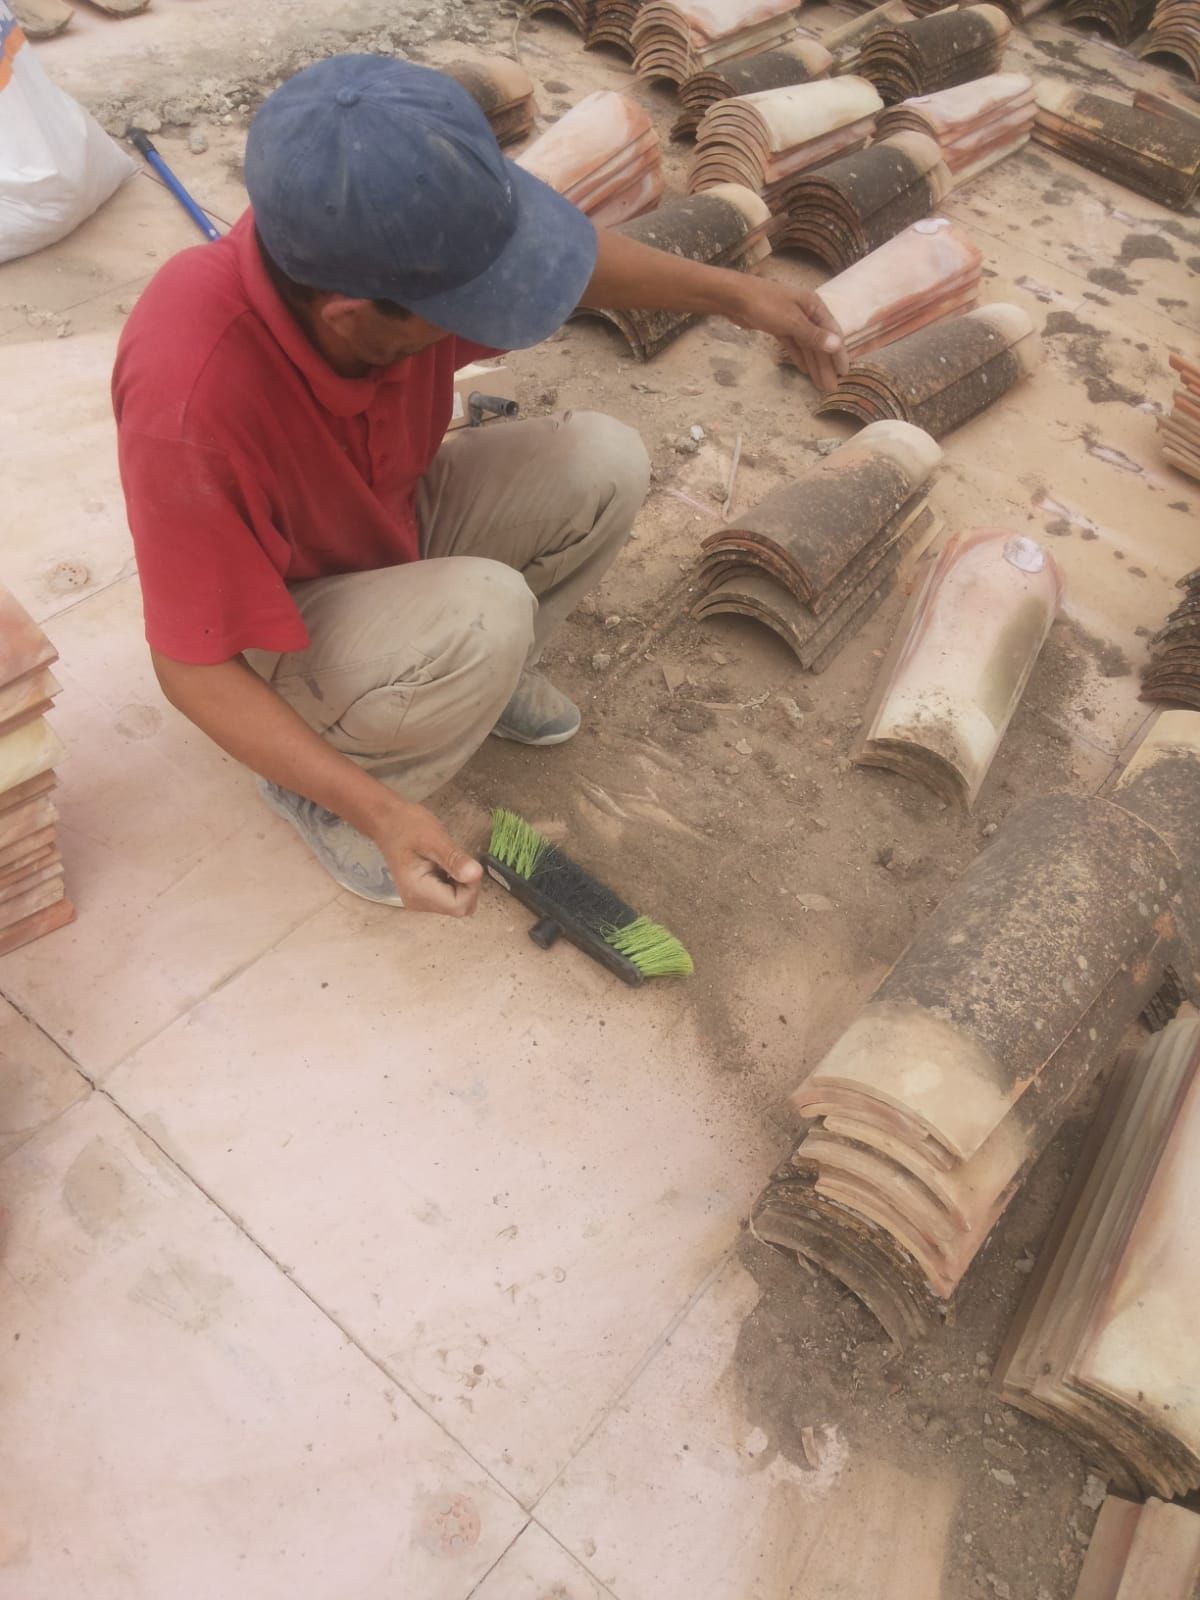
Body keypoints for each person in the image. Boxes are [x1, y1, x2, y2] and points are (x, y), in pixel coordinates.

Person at [112, 54, 843, 917]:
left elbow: (568, 270)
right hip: (285, 618)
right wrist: (381, 812)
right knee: (483, 612)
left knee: (604, 459)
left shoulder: (384, 256)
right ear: (351, 317)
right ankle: (332, 794)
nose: (485, 320)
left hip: (386, 519)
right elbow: (192, 667)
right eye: (462, 313)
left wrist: (736, 296)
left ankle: (479, 680)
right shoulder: (189, 392)